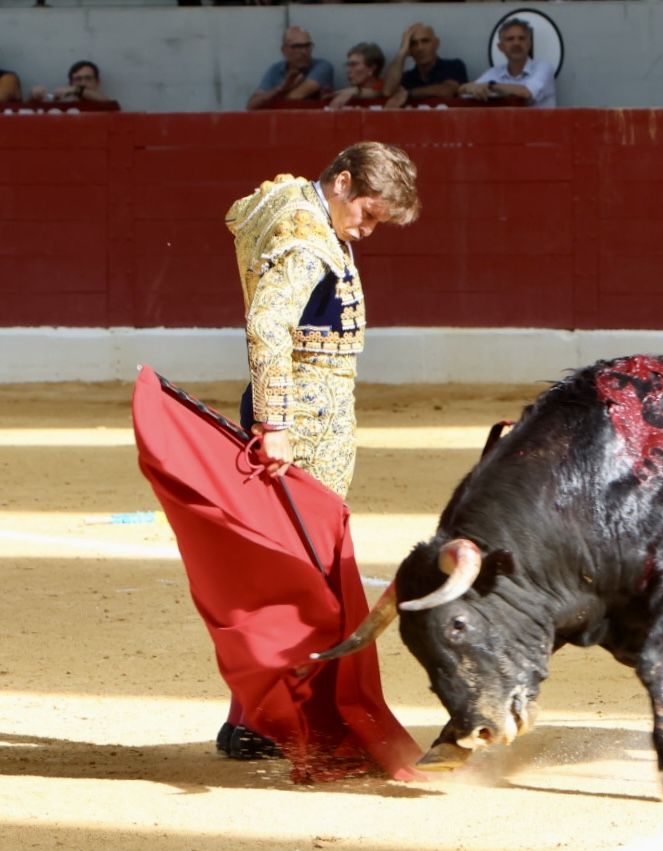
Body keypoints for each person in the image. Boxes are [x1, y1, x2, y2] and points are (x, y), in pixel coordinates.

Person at [217, 141, 420, 758]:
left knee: (290, 569)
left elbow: (243, 212)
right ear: (343, 182)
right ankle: (261, 719)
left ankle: (255, 714)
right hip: (303, 423)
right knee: (299, 575)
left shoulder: (288, 201)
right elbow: (268, 324)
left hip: (301, 414)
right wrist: (276, 423)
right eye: (368, 212)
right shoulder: (307, 238)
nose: (368, 228)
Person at [458, 18, 556, 108]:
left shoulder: (543, 67)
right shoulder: (494, 73)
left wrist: (491, 86)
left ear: (529, 44)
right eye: (510, 39)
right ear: (500, 47)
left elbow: (526, 93)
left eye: (521, 38)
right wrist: (468, 88)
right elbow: (462, 93)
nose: (516, 43)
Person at [380, 22, 467, 109]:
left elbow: (447, 91)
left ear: (436, 44)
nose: (420, 48)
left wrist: (409, 94)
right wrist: (402, 52)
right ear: (409, 50)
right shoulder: (407, 78)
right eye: (414, 43)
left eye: (425, 41)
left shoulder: (454, 66)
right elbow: (387, 91)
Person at [247, 26, 334, 111]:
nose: (304, 52)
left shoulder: (322, 66)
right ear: (284, 50)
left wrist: (273, 98)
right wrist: (280, 88)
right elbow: (252, 105)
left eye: (307, 46)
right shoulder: (275, 70)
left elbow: (294, 97)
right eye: (297, 46)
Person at [326, 42, 385, 111]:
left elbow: (381, 92)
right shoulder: (347, 95)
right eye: (347, 65)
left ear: (371, 69)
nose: (348, 70)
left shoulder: (387, 89)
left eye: (354, 64)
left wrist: (355, 91)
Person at [29, 60, 112, 104]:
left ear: (98, 82)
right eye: (78, 79)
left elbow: (106, 102)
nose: (83, 83)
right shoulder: (61, 101)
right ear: (70, 83)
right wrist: (36, 96)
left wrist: (76, 90)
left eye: (88, 78)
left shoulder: (105, 104)